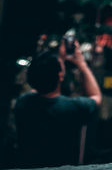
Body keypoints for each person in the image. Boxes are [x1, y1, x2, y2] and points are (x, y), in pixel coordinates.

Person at [15, 40, 101, 168]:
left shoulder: (22, 103)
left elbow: (42, 78)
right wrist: (82, 64)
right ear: (60, 76)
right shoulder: (72, 108)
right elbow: (96, 97)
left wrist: (58, 59)